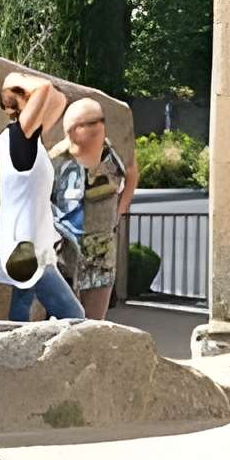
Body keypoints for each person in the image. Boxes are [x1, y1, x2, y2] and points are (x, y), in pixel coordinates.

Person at [0, 72, 84, 324]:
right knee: (74, 315)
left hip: (31, 244)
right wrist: (14, 78)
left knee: (21, 309)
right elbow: (44, 88)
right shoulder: (19, 139)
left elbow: (58, 99)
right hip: (27, 250)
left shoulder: (30, 141)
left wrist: (22, 87)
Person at [50, 97, 136, 320]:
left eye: (97, 124)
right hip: (65, 251)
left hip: (101, 250)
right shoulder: (56, 159)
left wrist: (120, 211)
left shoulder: (112, 154)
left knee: (95, 322)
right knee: (65, 319)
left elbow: (132, 173)